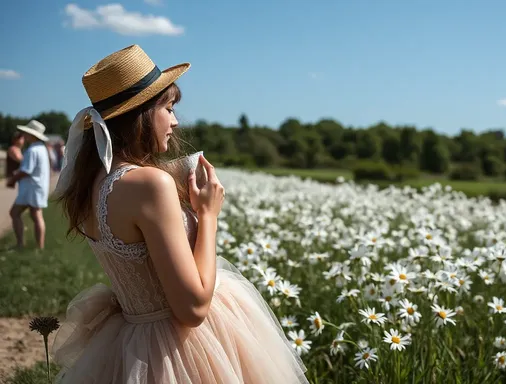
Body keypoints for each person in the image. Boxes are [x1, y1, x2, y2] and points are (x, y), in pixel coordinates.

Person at [51, 45, 308, 383]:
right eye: (168, 108)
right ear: (140, 114)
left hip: (130, 341)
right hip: (179, 350)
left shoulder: (91, 184)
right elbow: (193, 309)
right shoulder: (149, 184)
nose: (174, 121)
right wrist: (209, 215)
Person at [6, 120, 51, 250]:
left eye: (26, 133)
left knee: (15, 213)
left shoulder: (32, 150)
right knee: (36, 215)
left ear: (32, 135)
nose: (24, 136)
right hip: (37, 187)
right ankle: (39, 247)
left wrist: (13, 179)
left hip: (31, 189)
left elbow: (26, 170)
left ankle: (21, 244)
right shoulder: (41, 148)